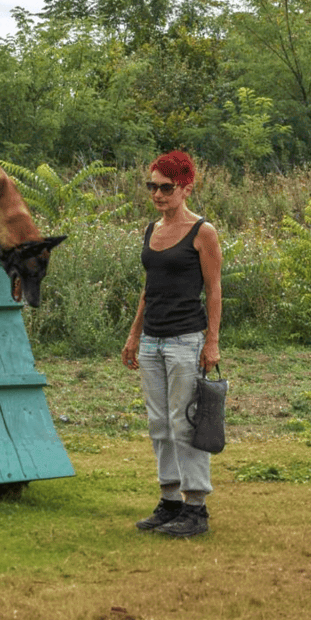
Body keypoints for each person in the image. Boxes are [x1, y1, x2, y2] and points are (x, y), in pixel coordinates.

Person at [121, 150, 222, 538]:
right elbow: (149, 289)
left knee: (185, 422)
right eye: (152, 186)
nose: (158, 194)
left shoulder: (203, 232)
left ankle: (196, 507)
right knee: (159, 423)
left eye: (166, 187)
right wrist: (134, 335)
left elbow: (214, 291)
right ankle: (169, 501)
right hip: (152, 342)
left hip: (185, 341)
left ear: (186, 188)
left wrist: (211, 343)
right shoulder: (151, 230)